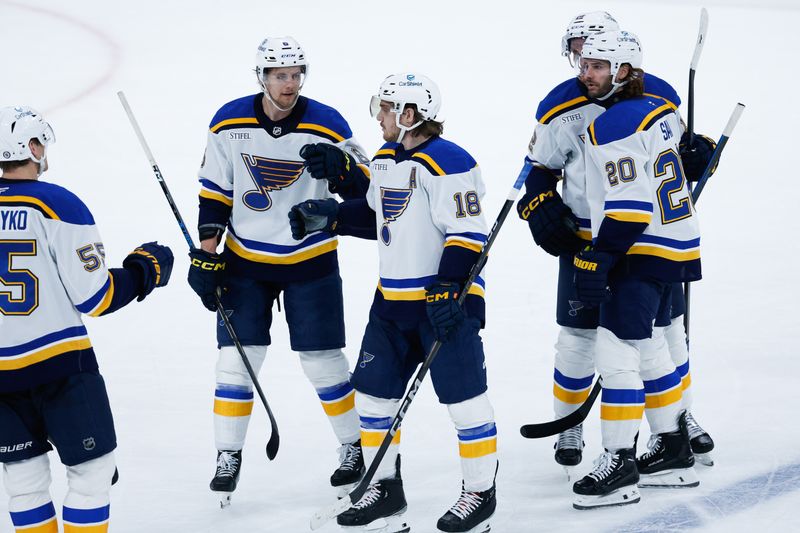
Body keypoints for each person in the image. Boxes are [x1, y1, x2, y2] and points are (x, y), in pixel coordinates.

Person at [290, 73, 497, 533]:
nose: (378, 117)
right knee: (372, 397)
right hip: (390, 304)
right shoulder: (385, 159)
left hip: (446, 303)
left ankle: (480, 494)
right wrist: (333, 217)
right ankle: (385, 492)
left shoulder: (450, 162)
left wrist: (447, 288)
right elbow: (380, 215)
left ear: (408, 115)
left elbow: (469, 234)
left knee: (465, 402)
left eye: (385, 108)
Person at [516, 11, 716, 475]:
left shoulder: (656, 96)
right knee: (577, 339)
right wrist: (540, 202)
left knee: (662, 337)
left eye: (596, 57)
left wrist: (699, 149)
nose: (585, 66)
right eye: (580, 54)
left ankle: (676, 422)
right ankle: (571, 424)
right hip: (587, 237)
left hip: (639, 237)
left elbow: (676, 147)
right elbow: (538, 166)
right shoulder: (557, 106)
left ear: (622, 62)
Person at [187, 36, 370, 505]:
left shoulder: (328, 122)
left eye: (295, 75)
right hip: (245, 262)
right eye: (279, 75)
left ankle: (354, 448)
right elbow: (214, 193)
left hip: (311, 261)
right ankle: (228, 454)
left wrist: (343, 168)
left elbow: (367, 192)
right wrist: (208, 254)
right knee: (235, 362)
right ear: (262, 78)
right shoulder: (228, 122)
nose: (289, 84)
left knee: (323, 363)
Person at [0, 106, 173, 532]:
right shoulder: (57, 204)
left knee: (24, 485)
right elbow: (97, 297)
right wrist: (144, 270)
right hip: (60, 368)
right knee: (93, 475)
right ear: (33, 147)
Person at [569, 30, 702, 509]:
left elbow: (627, 207)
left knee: (616, 349)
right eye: (585, 65)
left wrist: (598, 256)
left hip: (641, 249)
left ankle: (619, 461)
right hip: (677, 243)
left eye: (599, 66)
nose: (587, 74)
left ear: (624, 70)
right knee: (649, 347)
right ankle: (672, 447)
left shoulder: (613, 124)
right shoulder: (660, 110)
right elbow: (677, 160)